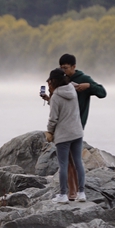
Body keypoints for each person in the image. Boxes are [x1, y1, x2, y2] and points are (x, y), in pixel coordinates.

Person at [44, 67, 86, 205]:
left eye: (49, 81)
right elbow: (64, 106)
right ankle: (81, 193)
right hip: (77, 132)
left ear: (53, 81)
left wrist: (49, 131)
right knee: (78, 162)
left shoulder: (56, 96)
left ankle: (63, 195)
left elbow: (53, 118)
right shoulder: (71, 88)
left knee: (63, 165)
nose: (48, 83)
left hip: (64, 135)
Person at [58, 53, 107, 129]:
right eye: (61, 68)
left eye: (65, 68)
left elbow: (102, 93)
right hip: (63, 122)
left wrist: (88, 86)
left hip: (78, 123)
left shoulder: (84, 79)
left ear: (73, 67)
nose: (63, 71)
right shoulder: (61, 79)